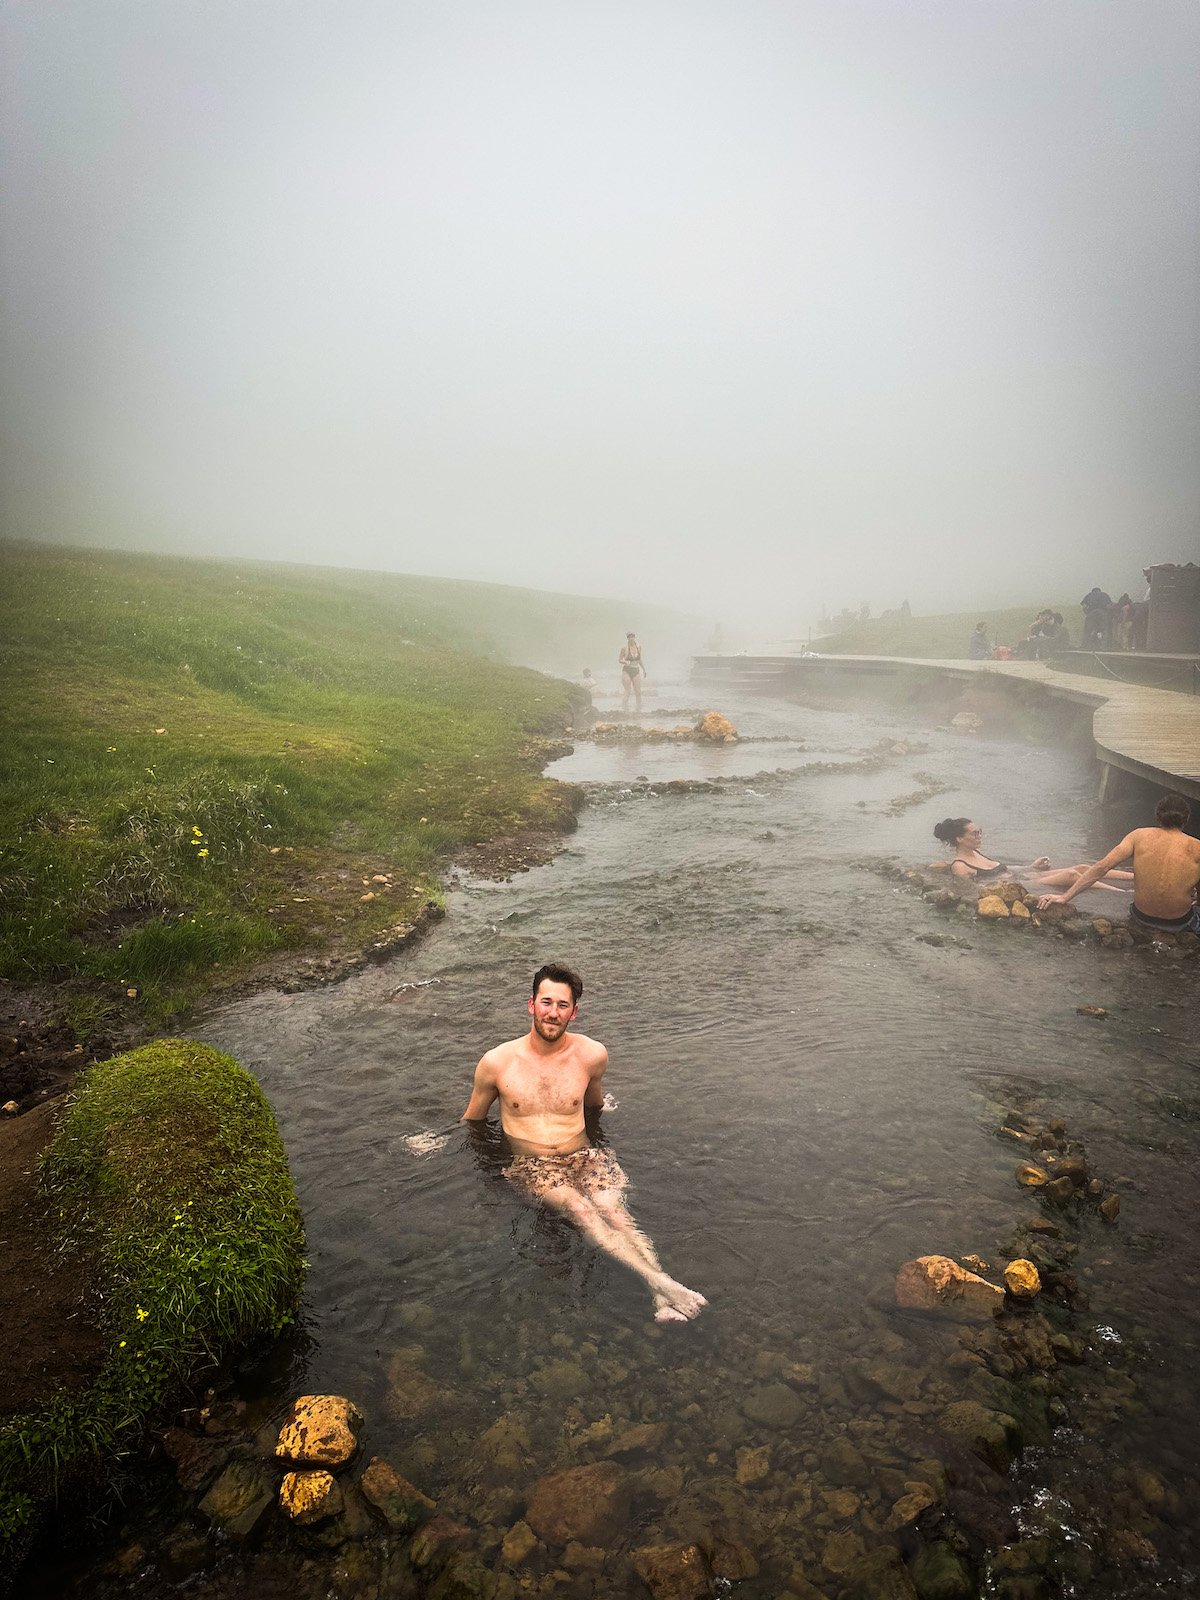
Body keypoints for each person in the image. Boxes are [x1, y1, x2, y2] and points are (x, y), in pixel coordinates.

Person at [462, 964, 706, 1323]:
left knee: (616, 1212)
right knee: (581, 1209)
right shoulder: (497, 1063)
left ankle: (660, 1293)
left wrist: (604, 1128)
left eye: (563, 1005)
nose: (553, 1012)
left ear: (573, 1012)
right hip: (534, 1163)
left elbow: (594, 1106)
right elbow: (473, 1120)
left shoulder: (591, 1055)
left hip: (584, 1155)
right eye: (547, 1002)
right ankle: (662, 1284)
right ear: (531, 1004)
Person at [1037, 794, 1200, 931]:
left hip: (1142, 917)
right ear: (1186, 819)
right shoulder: (1197, 846)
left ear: (1158, 815)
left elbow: (1102, 867)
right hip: (1178, 922)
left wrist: (1064, 897)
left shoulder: (1138, 836)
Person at [933, 818, 1133, 892]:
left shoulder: (976, 852)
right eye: (974, 833)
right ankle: (1120, 893)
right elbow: (973, 891)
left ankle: (1136, 877)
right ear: (959, 839)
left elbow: (1003, 868)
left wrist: (1032, 866)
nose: (979, 836)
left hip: (1023, 876)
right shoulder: (960, 865)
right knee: (1072, 874)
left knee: (1081, 867)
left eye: (980, 831)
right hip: (1020, 886)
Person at [619, 632, 646, 714]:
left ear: (634, 637)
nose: (631, 638)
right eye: (629, 637)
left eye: (632, 637)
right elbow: (620, 659)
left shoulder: (639, 647)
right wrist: (625, 662)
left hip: (636, 669)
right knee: (628, 691)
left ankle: (638, 709)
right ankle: (624, 709)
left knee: (638, 691)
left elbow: (639, 659)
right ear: (627, 638)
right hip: (627, 670)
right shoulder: (624, 648)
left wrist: (644, 669)